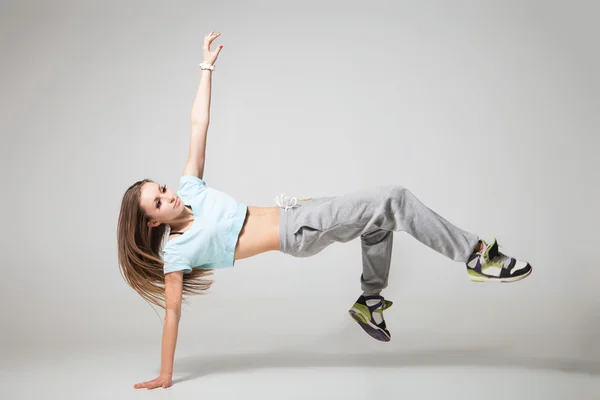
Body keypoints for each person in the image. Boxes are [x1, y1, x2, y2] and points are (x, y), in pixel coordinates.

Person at [117, 31, 532, 390]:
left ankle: (369, 301)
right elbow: (171, 313)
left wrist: (205, 67)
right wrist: (165, 373)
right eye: (158, 202)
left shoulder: (191, 189)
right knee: (395, 198)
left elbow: (198, 126)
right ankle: (476, 255)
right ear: (153, 221)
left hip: (300, 209)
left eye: (163, 188)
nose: (169, 196)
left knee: (379, 220)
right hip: (296, 233)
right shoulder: (177, 252)